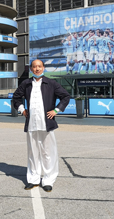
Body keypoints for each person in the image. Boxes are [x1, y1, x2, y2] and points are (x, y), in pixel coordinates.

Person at [13, 59, 70, 192]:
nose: (37, 69)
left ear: (43, 68)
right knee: (33, 153)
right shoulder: (26, 84)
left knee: (48, 153)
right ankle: (33, 179)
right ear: (31, 69)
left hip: (47, 124)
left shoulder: (51, 83)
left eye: (39, 66)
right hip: (32, 124)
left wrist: (56, 110)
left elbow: (65, 96)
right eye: (34, 67)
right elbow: (16, 98)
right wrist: (22, 109)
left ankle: (48, 180)